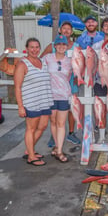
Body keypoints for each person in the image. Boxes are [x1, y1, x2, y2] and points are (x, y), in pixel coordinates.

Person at [41, 21, 81, 147]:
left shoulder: (76, 46)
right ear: (60, 30)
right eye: (64, 28)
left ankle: (71, 132)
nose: (66, 31)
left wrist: (78, 75)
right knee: (54, 112)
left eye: (69, 29)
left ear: (72, 31)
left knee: (71, 108)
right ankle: (54, 137)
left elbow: (80, 63)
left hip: (71, 81)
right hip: (54, 82)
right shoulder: (52, 45)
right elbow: (41, 60)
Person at [14, 38, 53, 166]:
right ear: (27, 48)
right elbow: (17, 87)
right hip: (31, 102)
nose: (34, 50)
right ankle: (31, 156)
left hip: (44, 101)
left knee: (42, 126)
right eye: (32, 47)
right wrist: (20, 107)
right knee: (31, 128)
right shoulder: (22, 64)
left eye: (37, 47)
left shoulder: (42, 61)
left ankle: (29, 150)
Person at [43, 35, 72, 163]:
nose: (61, 46)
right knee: (53, 122)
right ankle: (56, 146)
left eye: (63, 44)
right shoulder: (47, 58)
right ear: (54, 46)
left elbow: (72, 75)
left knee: (61, 123)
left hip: (64, 95)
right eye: (58, 44)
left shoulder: (69, 61)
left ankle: (59, 150)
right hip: (50, 94)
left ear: (66, 46)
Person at [76, 15, 104, 134]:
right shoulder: (80, 38)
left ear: (96, 24)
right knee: (86, 99)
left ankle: (98, 123)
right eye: (88, 22)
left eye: (92, 22)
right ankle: (88, 125)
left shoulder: (102, 37)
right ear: (85, 25)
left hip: (99, 73)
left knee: (98, 99)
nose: (90, 24)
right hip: (85, 74)